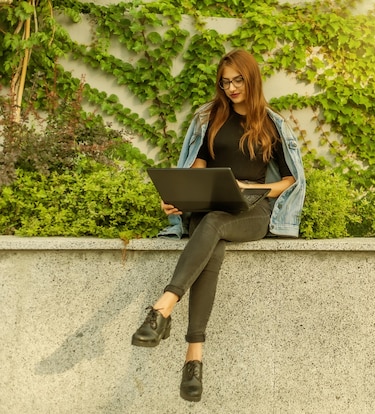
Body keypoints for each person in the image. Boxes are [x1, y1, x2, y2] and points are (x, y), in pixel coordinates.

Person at [131, 49, 306, 402]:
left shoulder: (272, 124)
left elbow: (291, 179)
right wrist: (180, 193)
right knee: (212, 235)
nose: (230, 88)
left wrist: (250, 188)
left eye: (237, 80)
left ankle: (162, 308)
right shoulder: (209, 118)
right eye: (225, 82)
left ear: (251, 78)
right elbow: (198, 163)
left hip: (253, 209)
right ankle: (193, 360)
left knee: (213, 226)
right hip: (211, 204)